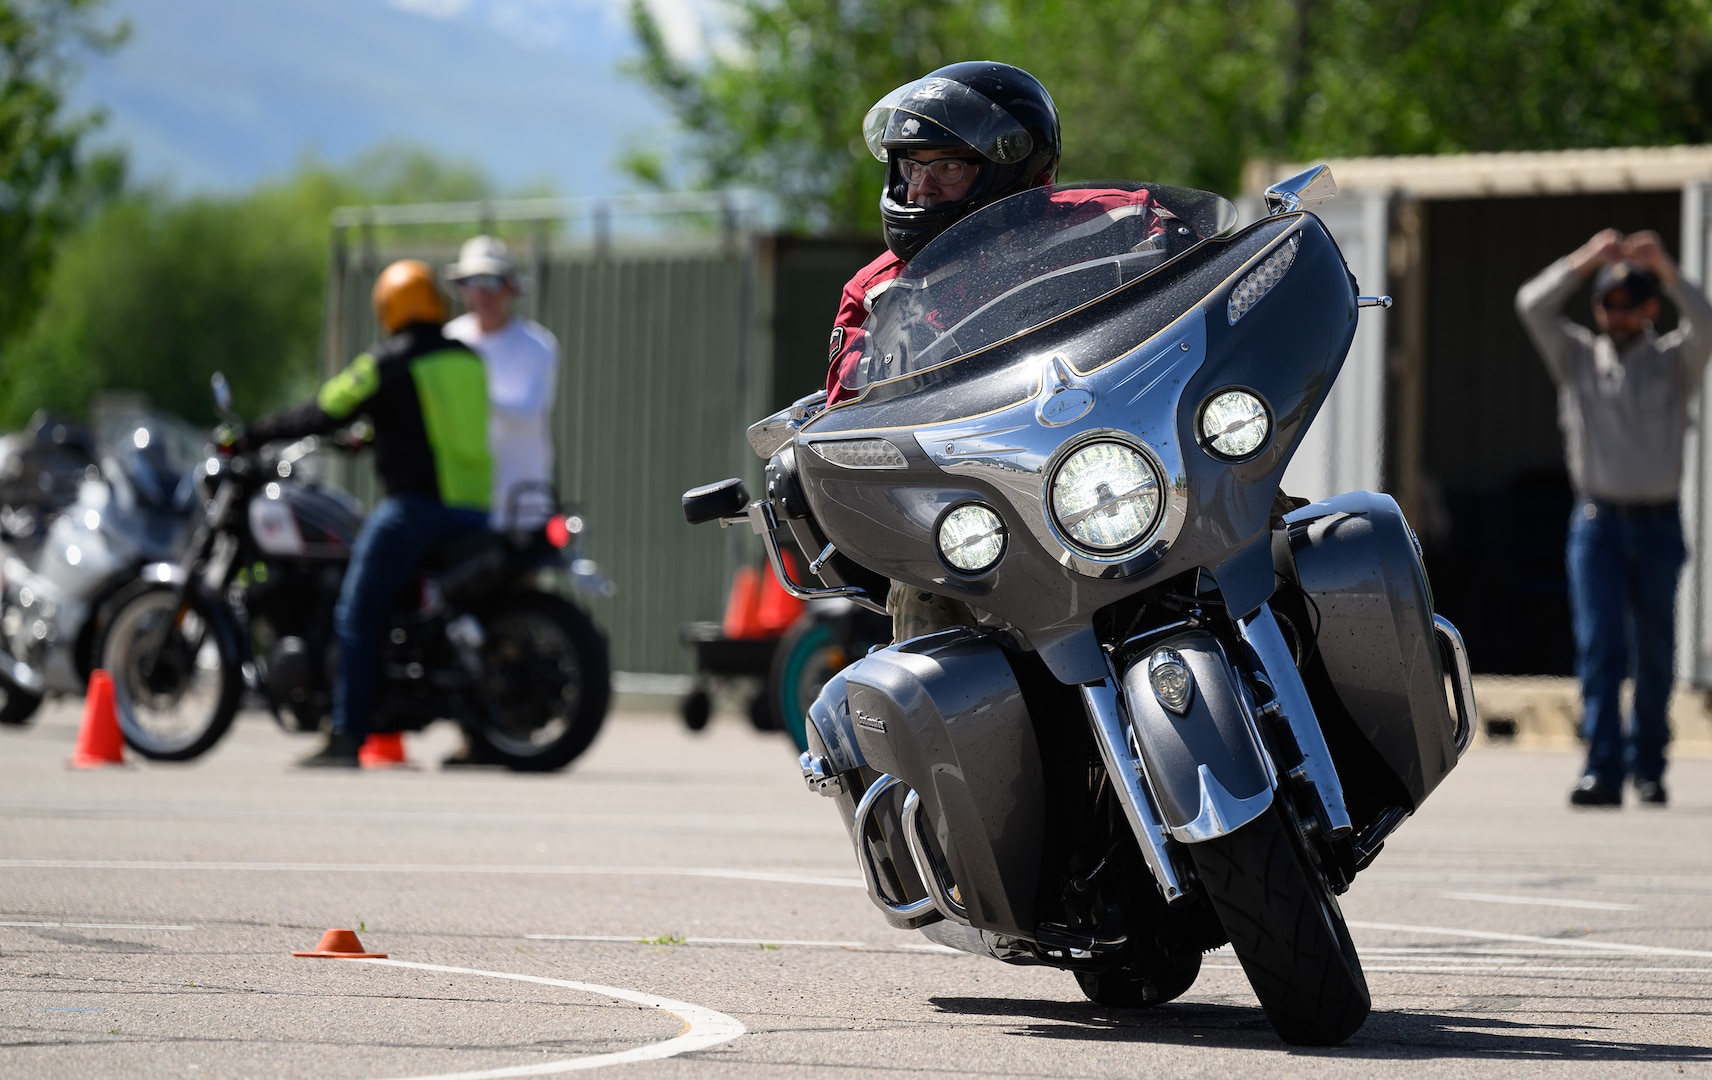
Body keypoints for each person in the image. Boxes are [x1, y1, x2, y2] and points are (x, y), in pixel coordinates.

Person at [823, 60, 1164, 641]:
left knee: (1282, 534)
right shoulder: (879, 293)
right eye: (911, 165)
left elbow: (1212, 280)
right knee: (925, 595)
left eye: (948, 165)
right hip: (989, 509)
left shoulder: (1121, 220)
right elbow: (847, 421)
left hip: (1138, 465)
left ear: (1016, 168)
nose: (921, 187)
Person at [242, 259, 493, 767]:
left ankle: (346, 735)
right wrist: (378, 434)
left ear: (389, 307)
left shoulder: (388, 363)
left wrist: (251, 434)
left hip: (417, 510)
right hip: (476, 509)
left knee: (356, 613)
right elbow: (433, 423)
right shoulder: (468, 359)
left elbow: (323, 408)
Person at [1515, 229, 1712, 807]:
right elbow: (1531, 303)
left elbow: (1706, 320)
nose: (1617, 313)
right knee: (1600, 646)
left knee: (1653, 650)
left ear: (1650, 307)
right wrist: (1586, 260)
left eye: (1630, 303)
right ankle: (1601, 767)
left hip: (1656, 523)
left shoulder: (1675, 360)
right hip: (1597, 523)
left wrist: (1667, 270)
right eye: (1607, 302)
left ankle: (1648, 765)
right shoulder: (1576, 355)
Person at [443, 235, 561, 530]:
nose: (483, 293)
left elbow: (529, 413)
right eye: (473, 281)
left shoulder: (538, 345)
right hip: (463, 501)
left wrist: (473, 396)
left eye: (492, 281)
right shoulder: (449, 340)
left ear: (510, 287)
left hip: (522, 504)